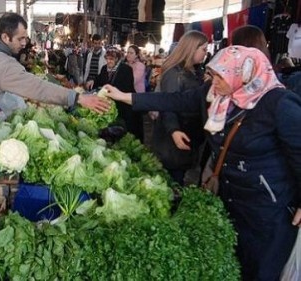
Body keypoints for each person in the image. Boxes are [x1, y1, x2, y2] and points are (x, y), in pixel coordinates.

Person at [104, 45, 301, 281]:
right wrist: (124, 96)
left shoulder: (278, 103)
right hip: (229, 198)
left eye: (220, 76)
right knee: (232, 264)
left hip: (267, 209)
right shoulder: (214, 94)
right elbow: (173, 100)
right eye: (213, 74)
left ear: (244, 74)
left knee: (259, 270)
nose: (213, 82)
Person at [0, 13, 109, 117]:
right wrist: (77, 98)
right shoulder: (3, 65)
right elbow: (38, 88)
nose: (24, 43)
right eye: (20, 39)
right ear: (5, 37)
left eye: (25, 38)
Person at [151, 30, 208, 186]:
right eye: (203, 49)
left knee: (178, 178)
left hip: (185, 135)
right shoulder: (175, 74)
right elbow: (168, 105)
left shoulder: (194, 72)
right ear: (191, 48)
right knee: (172, 182)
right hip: (173, 141)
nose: (206, 53)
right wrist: (174, 130)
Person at [93, 47, 143, 142]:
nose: (108, 61)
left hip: (123, 106)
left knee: (124, 131)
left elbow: (127, 88)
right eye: (107, 58)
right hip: (109, 106)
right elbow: (99, 82)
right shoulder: (104, 69)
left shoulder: (126, 69)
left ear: (117, 59)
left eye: (111, 59)